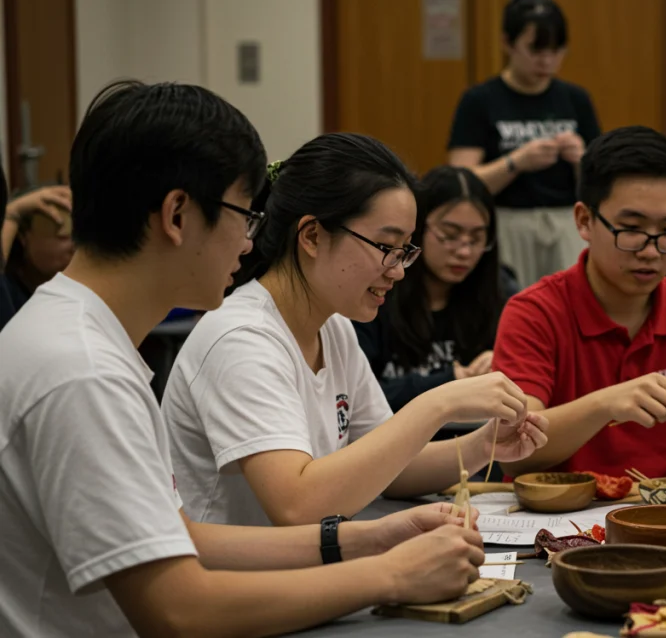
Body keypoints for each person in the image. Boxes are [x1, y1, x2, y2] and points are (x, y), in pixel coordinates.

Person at [0, 80, 490, 637]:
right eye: (244, 215)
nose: (250, 240)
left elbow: (179, 535)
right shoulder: (83, 372)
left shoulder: (77, 335)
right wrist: (389, 576)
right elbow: (179, 611)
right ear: (178, 215)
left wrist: (370, 538)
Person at [161, 133, 549, 528]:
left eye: (405, 251)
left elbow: (390, 467)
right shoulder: (241, 339)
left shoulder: (334, 328)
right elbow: (296, 507)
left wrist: (483, 444)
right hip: (235, 583)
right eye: (386, 247)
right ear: (312, 235)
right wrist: (439, 404)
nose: (398, 270)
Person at [493, 126, 666, 480]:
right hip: (555, 519)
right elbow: (514, 452)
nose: (651, 252)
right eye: (632, 229)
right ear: (584, 220)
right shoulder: (535, 312)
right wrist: (606, 404)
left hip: (663, 517)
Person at [447, 0, 601, 289]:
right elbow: (460, 182)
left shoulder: (576, 99)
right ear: (508, 43)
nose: (547, 60)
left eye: (556, 51)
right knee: (513, 303)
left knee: (572, 304)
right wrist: (516, 162)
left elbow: (601, 182)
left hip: (567, 220)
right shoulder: (480, 100)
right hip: (507, 221)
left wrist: (582, 158)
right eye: (535, 50)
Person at [355, 165, 518, 411]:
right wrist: (448, 384)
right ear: (417, 228)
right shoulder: (376, 288)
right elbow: (355, 398)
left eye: (476, 239)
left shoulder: (502, 290)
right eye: (449, 235)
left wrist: (507, 361)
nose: (464, 252)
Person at [0, 180, 73, 330]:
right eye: (62, 235)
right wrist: (12, 213)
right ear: (23, 236)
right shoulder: (9, 293)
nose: (75, 246)